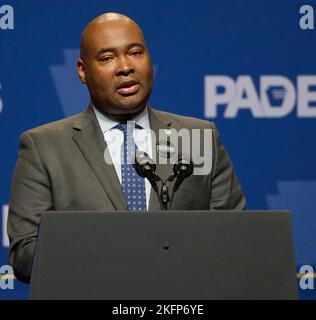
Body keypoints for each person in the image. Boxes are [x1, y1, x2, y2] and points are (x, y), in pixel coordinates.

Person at [7, 13, 246, 283]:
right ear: (82, 71)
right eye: (107, 58)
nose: (125, 67)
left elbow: (234, 239)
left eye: (135, 52)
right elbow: (26, 255)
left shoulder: (198, 136)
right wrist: (123, 252)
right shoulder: (43, 147)